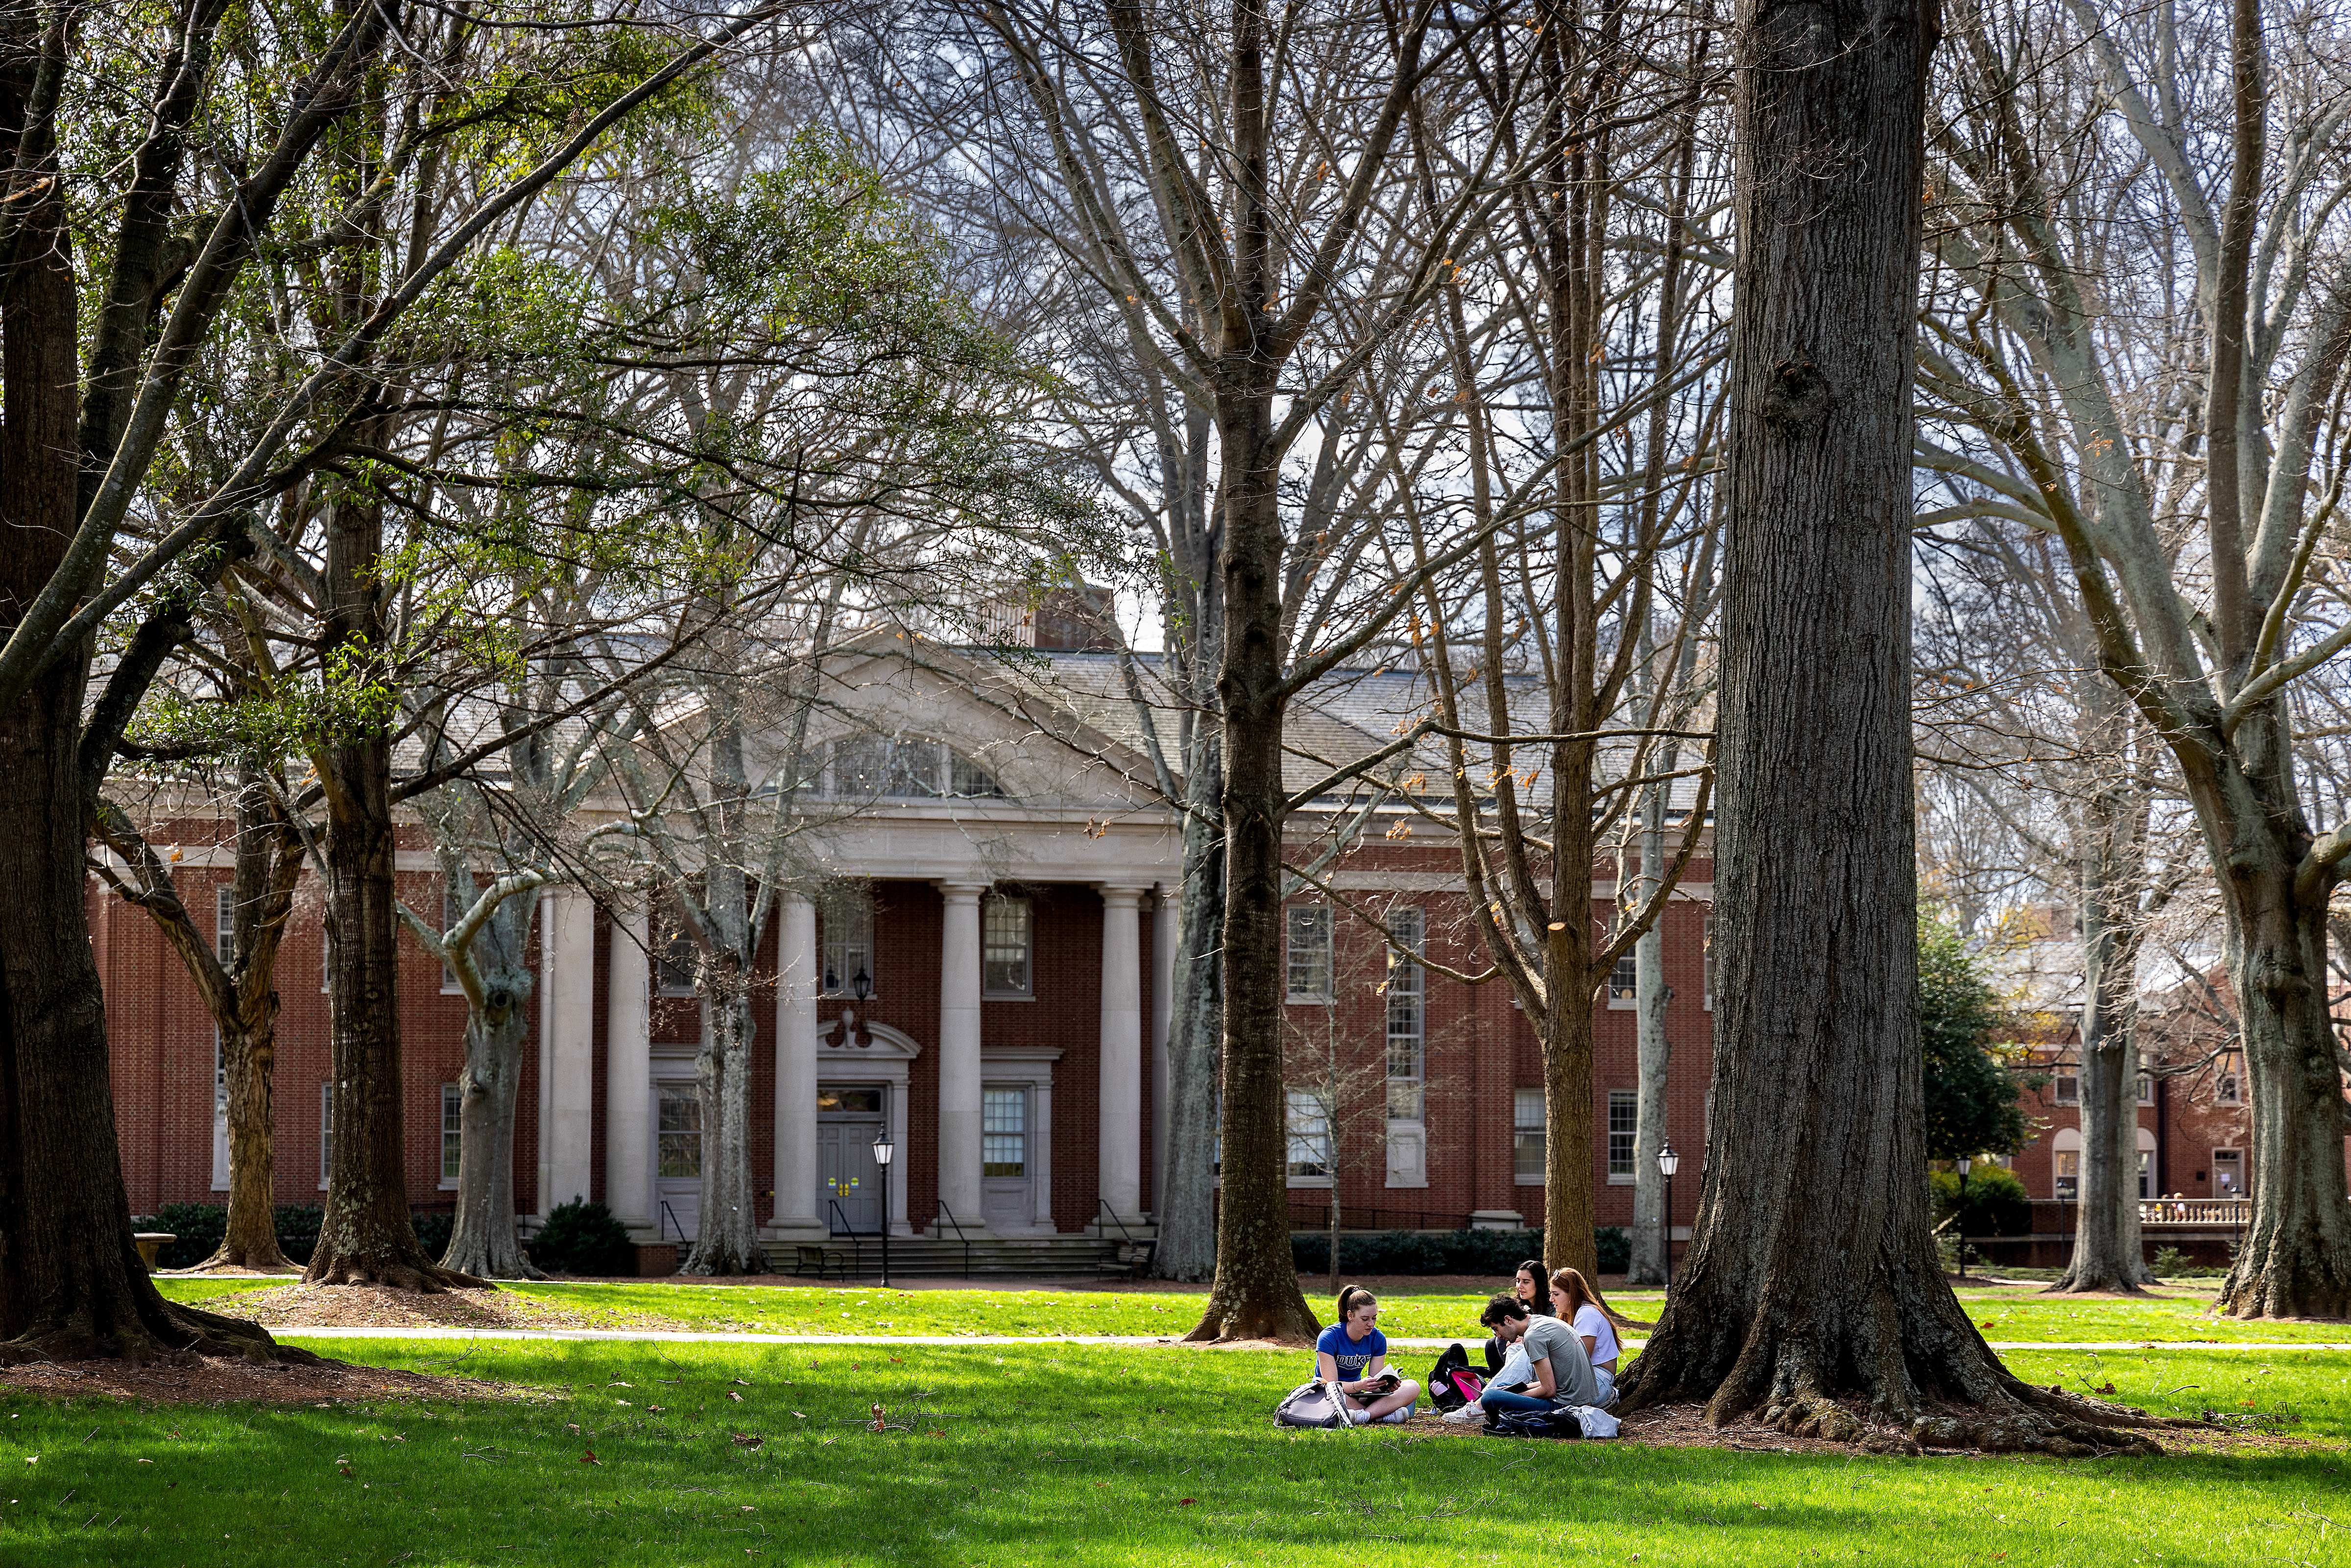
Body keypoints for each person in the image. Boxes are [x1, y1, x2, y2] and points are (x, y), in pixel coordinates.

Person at [1476, 1294, 1599, 1419]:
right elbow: (1556, 1382)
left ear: (1508, 1320)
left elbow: (1549, 1390)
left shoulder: (1533, 1336)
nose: (1498, 1336)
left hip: (1565, 1407)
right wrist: (1514, 1391)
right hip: (1582, 1402)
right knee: (1503, 1388)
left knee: (1490, 1397)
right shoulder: (1543, 1322)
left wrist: (1517, 1396)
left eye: (1496, 1329)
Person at [1315, 1285, 1421, 1424]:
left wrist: (1386, 1385)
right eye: (1365, 1319)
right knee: (1335, 1396)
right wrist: (1359, 1385)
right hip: (1331, 1394)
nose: (1371, 1324)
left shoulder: (1378, 1338)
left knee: (1413, 1386)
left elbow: (1376, 1380)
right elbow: (1332, 1385)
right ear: (1350, 1316)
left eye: (1374, 1318)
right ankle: (1380, 1415)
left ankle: (1363, 1416)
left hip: (1358, 1395)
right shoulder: (1329, 1337)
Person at [1547, 1266, 1643, 1408]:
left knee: (1547, 1401)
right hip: (1586, 1379)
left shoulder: (1587, 1314)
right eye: (1551, 1294)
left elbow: (1581, 1360)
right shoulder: (1575, 1314)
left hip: (1598, 1381)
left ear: (1572, 1294)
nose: (1551, 1299)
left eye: (1556, 1294)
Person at [1482, 1259, 1554, 1375]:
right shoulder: (1518, 1305)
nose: (1520, 1286)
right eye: (1518, 1281)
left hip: (1542, 1350)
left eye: (1526, 1282)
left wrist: (1524, 1339)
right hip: (1521, 1345)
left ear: (1539, 1283)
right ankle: (1500, 1380)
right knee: (1493, 1343)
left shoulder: (1552, 1306)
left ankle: (1514, 1380)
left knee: (1502, 1343)